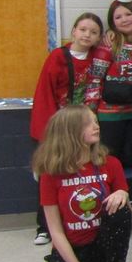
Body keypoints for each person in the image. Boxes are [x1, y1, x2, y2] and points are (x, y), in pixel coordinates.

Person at [33, 105, 131, 262]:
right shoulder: (50, 174)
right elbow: (56, 233)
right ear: (71, 131)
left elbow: (124, 212)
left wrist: (122, 193)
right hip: (72, 249)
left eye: (96, 121)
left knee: (121, 208)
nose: (97, 126)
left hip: (103, 245)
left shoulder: (111, 163)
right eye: (89, 123)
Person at [30, 12, 104, 245]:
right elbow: (45, 94)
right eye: (83, 29)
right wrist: (47, 133)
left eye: (93, 32)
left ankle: (82, 220)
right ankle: (45, 227)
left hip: (85, 129)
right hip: (59, 128)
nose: (87, 35)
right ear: (73, 31)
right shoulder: (57, 57)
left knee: (80, 177)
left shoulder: (99, 59)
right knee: (52, 174)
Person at [86, 0, 132, 170]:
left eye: (128, 14)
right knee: (109, 162)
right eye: (118, 17)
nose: (124, 19)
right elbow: (94, 80)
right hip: (110, 117)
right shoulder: (109, 45)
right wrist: (91, 112)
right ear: (112, 22)